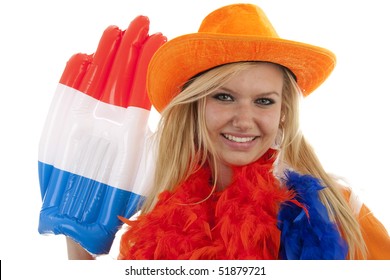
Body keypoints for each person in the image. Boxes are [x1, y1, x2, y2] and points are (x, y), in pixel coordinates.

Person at [70, 3, 390, 260]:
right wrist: (77, 241)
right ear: (196, 105)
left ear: (283, 114)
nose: (244, 119)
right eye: (224, 97)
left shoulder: (338, 212)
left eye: (264, 101)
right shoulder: (156, 225)